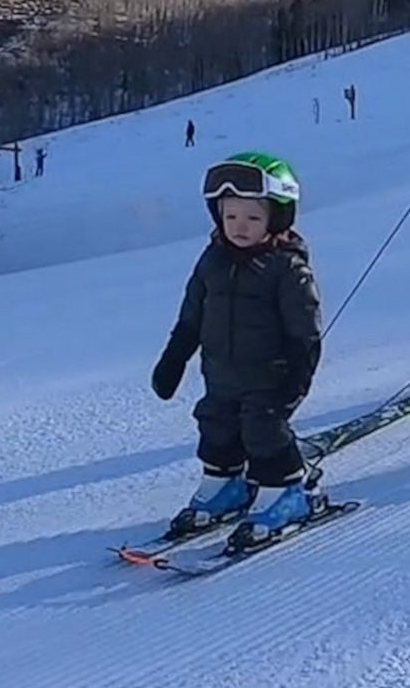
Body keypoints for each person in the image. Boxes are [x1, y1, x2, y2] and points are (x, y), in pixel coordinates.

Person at [150, 151, 326, 549]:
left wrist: (298, 376)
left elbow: (305, 331)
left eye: (252, 218)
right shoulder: (212, 261)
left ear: (276, 217)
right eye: (230, 217)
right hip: (221, 374)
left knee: (265, 432)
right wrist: (173, 359)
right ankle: (224, 484)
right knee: (216, 425)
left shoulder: (287, 268)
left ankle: (286, 492)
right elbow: (191, 316)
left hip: (270, 377)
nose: (239, 227)